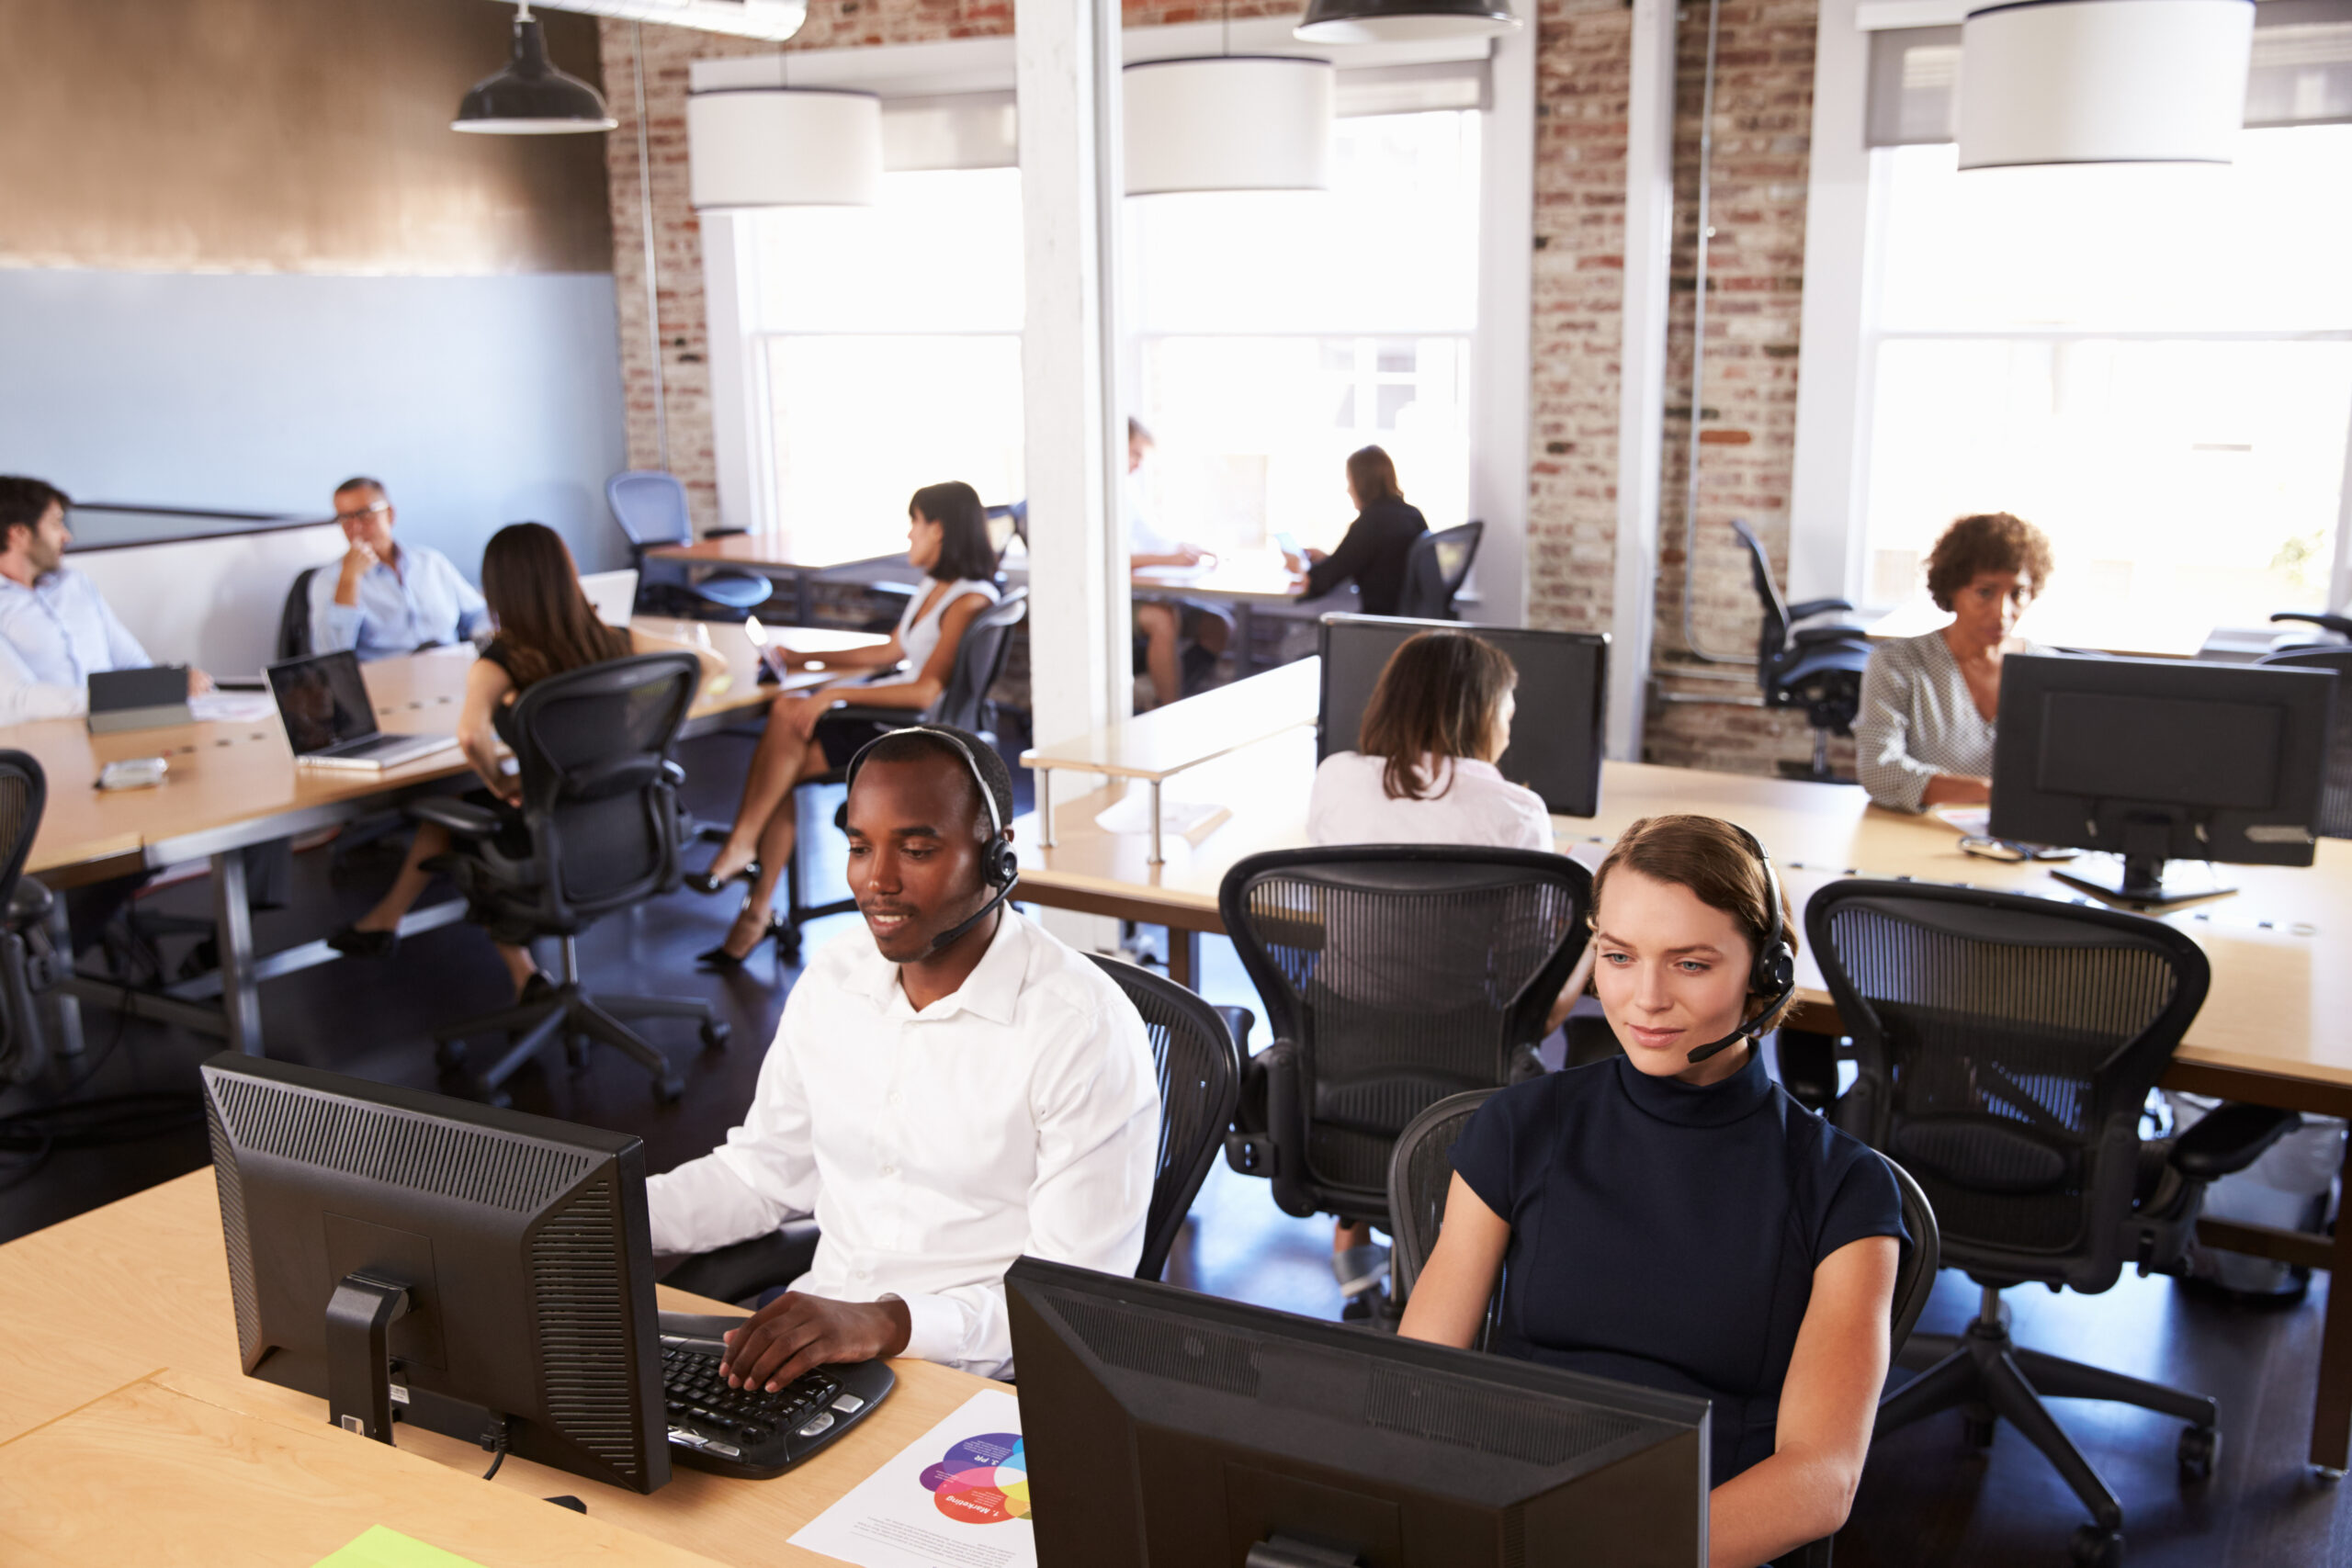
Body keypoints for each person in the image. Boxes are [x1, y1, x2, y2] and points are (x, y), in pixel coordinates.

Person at [1398, 815, 1907, 1568]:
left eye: (1691, 964)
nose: (1644, 998)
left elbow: (1819, 1480)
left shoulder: (1843, 1188)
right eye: (1618, 956)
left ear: (1765, 974)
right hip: (1513, 1529)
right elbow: (1419, 1386)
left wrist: (1609, 1552)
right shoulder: (1519, 1127)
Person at [648, 725, 1159, 1385]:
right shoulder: (836, 978)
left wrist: (886, 1322)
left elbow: (1070, 1305)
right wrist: (608, 1206)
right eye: (859, 846)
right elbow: (761, 1174)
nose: (877, 880)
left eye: (916, 848)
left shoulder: (1080, 1029)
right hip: (811, 1358)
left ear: (997, 857)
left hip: (980, 1380)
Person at [1305, 628, 1585, 1311]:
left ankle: (1356, 1233)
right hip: (1459, 1086)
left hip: (1339, 1067)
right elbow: (1537, 1004)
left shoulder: (1335, 776)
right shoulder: (1517, 813)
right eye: (1505, 716)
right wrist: (1589, 925)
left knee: (1376, 983)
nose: (1510, 732)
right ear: (1480, 715)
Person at [327, 522, 723, 997]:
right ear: (567, 573)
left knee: (464, 815)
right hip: (629, 821)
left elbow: (471, 738)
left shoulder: (501, 661)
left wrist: (500, 784)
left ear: (498, 589)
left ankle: (518, 971)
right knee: (462, 811)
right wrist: (648, 728)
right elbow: (709, 664)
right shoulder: (616, 638)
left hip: (551, 834)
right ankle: (390, 923)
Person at [687, 481, 1001, 968]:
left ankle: (746, 871)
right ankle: (751, 893)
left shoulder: (968, 601)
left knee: (786, 735)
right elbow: (890, 652)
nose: (909, 534)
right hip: (894, 718)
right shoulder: (935, 588)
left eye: (914, 523)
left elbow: (925, 690)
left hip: (916, 734)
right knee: (787, 731)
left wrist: (832, 693)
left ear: (937, 529)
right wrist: (806, 658)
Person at [1856, 512, 2054, 814]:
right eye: (1984, 592)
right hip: (1917, 838)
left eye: (2018, 593)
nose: (2002, 612)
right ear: (1952, 588)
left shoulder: (2048, 671)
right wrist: (1990, 792)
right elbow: (1878, 770)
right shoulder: (1899, 664)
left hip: (2019, 844)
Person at [0, 474, 211, 723]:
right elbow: (18, 699)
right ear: (19, 533)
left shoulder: (75, 585)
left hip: (115, 724)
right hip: (46, 738)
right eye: (56, 524)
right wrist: (128, 696)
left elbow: (132, 663)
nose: (67, 536)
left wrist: (171, 684)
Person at [308, 477, 491, 661]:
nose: (355, 527)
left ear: (389, 514)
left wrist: (485, 643)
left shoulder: (431, 562)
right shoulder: (330, 579)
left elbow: (477, 614)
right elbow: (331, 656)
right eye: (345, 518)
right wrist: (349, 581)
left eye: (364, 514)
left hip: (452, 669)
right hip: (388, 683)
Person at [1126, 417, 1232, 707]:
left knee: (1218, 626)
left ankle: (1168, 692)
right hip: (1115, 604)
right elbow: (1112, 562)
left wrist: (1186, 550)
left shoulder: (1129, 490)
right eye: (1134, 453)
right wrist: (1169, 559)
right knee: (1163, 619)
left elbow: (1152, 536)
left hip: (1142, 592)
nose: (1137, 463)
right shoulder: (1099, 494)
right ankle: (1166, 702)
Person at [1287, 445, 1428, 617]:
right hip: (1404, 625)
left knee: (1291, 645)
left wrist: (1299, 567)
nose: (1348, 489)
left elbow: (1321, 581)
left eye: (1349, 480)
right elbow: (1374, 563)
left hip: (1375, 626)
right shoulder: (1412, 515)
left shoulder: (1371, 522)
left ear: (1361, 483)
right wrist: (1328, 559)